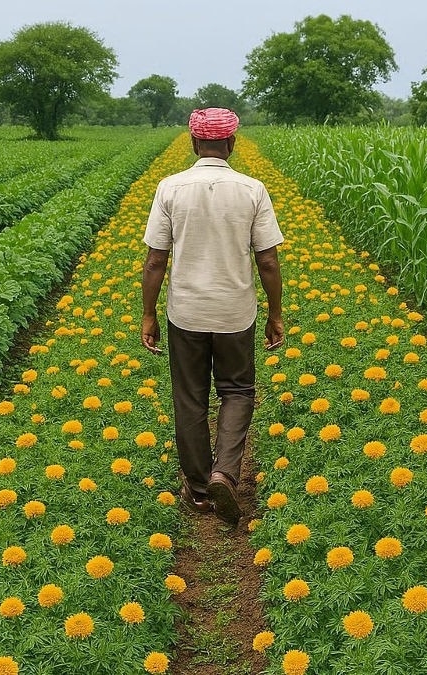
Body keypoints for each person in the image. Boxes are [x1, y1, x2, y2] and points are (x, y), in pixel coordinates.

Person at [140, 107, 284, 527]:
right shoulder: (252, 189)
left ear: (193, 142)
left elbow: (154, 261)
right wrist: (276, 314)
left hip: (186, 311)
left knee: (190, 396)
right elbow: (269, 261)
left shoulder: (170, 188)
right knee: (237, 390)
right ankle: (225, 470)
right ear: (232, 143)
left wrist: (148, 314)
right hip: (235, 311)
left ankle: (200, 490)